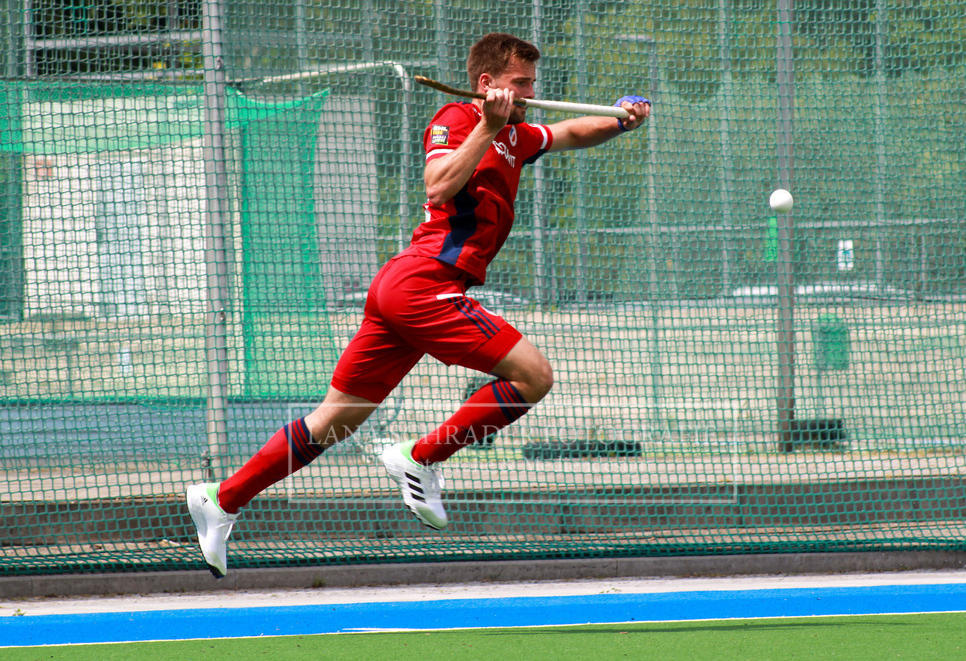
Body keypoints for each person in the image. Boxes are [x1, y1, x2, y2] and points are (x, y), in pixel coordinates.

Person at [187, 32, 650, 578]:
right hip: (425, 284)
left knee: (336, 422)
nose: (529, 92)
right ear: (487, 83)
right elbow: (437, 185)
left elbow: (571, 130)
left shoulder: (518, 134)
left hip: (405, 291)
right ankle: (421, 457)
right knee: (534, 376)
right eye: (520, 83)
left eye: (531, 83)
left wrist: (622, 120)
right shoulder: (457, 118)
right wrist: (487, 126)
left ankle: (224, 498)